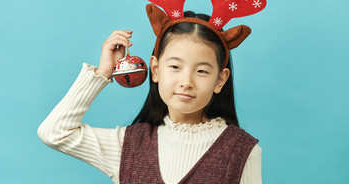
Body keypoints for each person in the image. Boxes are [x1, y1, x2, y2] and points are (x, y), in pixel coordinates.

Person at [37, 10, 262, 184]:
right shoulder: (128, 146)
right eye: (175, 66)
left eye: (201, 71)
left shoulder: (241, 150)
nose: (186, 81)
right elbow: (54, 133)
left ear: (220, 80)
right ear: (155, 69)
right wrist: (103, 72)